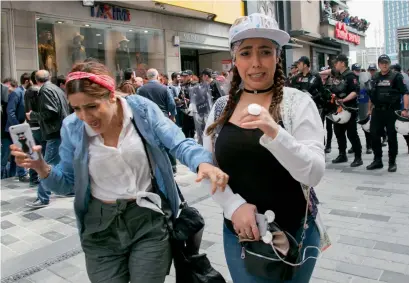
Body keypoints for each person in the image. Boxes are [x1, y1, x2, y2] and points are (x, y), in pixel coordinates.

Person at [11, 61, 229, 283]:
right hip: (99, 229)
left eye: (92, 106)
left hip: (148, 221)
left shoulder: (141, 110)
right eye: (76, 108)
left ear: (111, 95)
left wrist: (203, 163)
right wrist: (41, 168)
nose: (85, 116)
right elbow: (67, 183)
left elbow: (179, 143)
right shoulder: (72, 128)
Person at [203, 13, 329, 283]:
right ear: (235, 60)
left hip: (297, 232)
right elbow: (208, 168)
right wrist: (233, 206)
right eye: (246, 53)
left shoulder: (298, 103)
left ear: (277, 57)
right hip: (241, 237)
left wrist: (274, 132)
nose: (256, 63)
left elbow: (314, 173)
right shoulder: (219, 108)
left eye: (265, 52)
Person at [25, 70, 72, 207]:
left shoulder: (46, 90)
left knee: (48, 164)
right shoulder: (55, 88)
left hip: (54, 132)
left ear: (35, 80)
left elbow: (51, 112)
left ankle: (43, 197)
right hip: (60, 130)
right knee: (62, 162)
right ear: (49, 77)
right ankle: (68, 189)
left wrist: (33, 115)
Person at [366, 55, 409, 172]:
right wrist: (369, 110)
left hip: (391, 111)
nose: (384, 65)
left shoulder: (396, 76)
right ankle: (377, 160)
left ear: (389, 64)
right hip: (377, 111)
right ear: (379, 64)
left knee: (391, 136)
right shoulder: (374, 77)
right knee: (374, 135)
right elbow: (371, 95)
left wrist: (405, 109)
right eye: (382, 63)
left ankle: (392, 162)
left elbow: (405, 93)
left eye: (386, 62)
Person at [329, 54, 363, 167]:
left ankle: (358, 157)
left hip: (349, 109)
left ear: (343, 63)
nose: (335, 64)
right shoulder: (338, 75)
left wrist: (344, 100)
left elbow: (355, 92)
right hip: (339, 109)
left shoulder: (350, 76)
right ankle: (342, 154)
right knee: (338, 132)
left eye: (336, 62)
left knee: (352, 134)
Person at [5, 73, 31, 182]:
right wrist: (17, 126)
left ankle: (14, 174)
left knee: (17, 151)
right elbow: (10, 111)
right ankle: (22, 173)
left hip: (20, 125)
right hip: (15, 127)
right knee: (21, 149)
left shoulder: (23, 92)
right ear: (27, 81)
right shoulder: (17, 93)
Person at [24, 71, 46, 187]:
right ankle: (43, 178)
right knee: (43, 152)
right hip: (39, 124)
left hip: (31, 125)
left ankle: (33, 178)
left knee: (33, 152)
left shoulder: (27, 91)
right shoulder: (38, 91)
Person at [292, 56, 325, 123]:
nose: (297, 65)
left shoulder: (315, 76)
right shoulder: (296, 78)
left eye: (299, 63)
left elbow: (322, 91)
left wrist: (313, 98)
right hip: (301, 109)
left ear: (305, 65)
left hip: (314, 107)